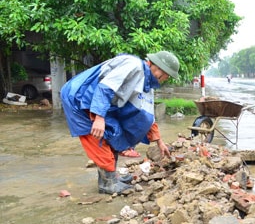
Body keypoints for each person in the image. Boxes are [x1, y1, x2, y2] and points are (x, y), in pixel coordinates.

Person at [61, 51, 180, 195]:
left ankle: (111, 178)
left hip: (99, 103)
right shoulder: (133, 65)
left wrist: (159, 141)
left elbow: (148, 114)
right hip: (79, 97)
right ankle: (107, 184)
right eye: (167, 74)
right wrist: (99, 117)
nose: (166, 78)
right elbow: (106, 87)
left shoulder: (147, 84)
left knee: (115, 134)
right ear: (156, 66)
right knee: (99, 137)